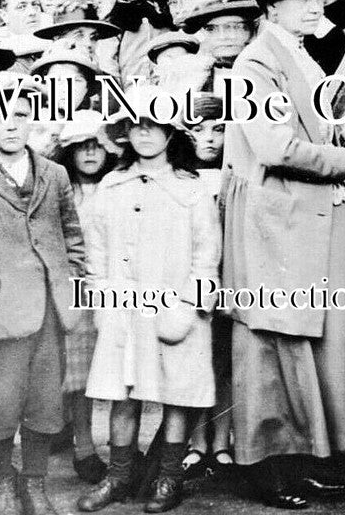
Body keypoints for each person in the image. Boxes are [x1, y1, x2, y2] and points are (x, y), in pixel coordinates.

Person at [221, 0, 345, 509]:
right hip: (277, 216)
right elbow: (272, 144)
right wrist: (343, 162)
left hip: (304, 213)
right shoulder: (255, 63)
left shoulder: (298, 54)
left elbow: (315, 122)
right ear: (269, 6)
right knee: (273, 340)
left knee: (308, 339)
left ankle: (304, 458)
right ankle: (266, 469)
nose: (315, 5)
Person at [0, 75, 85, 515]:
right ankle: (3, 482)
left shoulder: (55, 173)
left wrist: (72, 283)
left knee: (44, 404)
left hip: (49, 309)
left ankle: (35, 483)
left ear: (33, 122)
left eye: (20, 116)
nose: (10, 126)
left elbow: (72, 237)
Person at [77, 86, 220, 514]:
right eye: (137, 126)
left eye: (155, 126)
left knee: (177, 392)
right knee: (123, 392)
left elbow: (206, 253)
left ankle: (168, 479)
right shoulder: (112, 185)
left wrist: (192, 307)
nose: (145, 134)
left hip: (177, 305)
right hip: (124, 304)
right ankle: (118, 476)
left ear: (171, 134)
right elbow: (96, 250)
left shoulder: (190, 188)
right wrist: (103, 300)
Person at [50, 111, 119, 485]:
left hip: (109, 286)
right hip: (74, 287)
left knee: (105, 369)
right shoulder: (59, 187)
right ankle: (82, 446)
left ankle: (119, 446)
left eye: (97, 146)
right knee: (76, 374)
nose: (91, 154)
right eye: (81, 147)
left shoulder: (116, 186)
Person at [181, 92, 234, 476]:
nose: (210, 139)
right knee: (197, 359)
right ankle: (196, 441)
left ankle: (222, 443)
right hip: (192, 277)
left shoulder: (237, 174)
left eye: (219, 129)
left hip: (233, 275)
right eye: (200, 130)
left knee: (227, 360)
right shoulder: (182, 177)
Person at [34, 0, 120, 63]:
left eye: (93, 37)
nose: (88, 43)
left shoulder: (103, 79)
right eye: (78, 35)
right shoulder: (43, 77)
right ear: (57, 39)